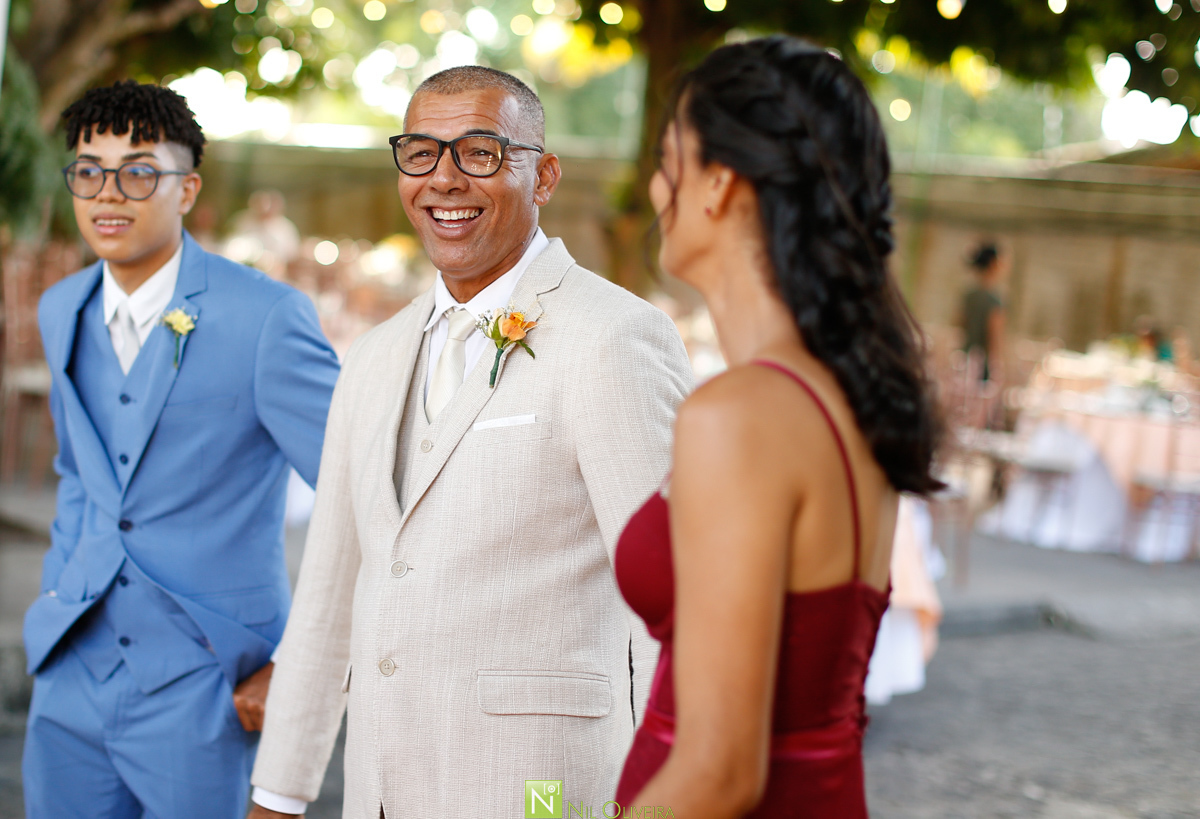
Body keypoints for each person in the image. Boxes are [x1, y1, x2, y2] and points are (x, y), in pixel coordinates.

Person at [248, 66, 692, 817]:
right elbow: (328, 596)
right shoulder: (374, 356)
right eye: (420, 153)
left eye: (479, 152)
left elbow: (673, 605)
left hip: (539, 786)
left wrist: (674, 795)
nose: (443, 179)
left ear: (543, 174)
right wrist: (278, 794)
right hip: (381, 790)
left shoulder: (613, 336)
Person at [613, 36, 943, 816]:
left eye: (668, 159)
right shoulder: (845, 397)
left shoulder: (740, 416)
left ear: (719, 182)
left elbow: (721, 772)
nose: (656, 186)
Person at [22, 80, 341, 818]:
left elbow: (360, 501)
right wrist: (56, 595)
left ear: (188, 188)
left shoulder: (266, 316)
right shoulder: (60, 306)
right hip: (70, 670)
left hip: (205, 681)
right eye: (88, 170)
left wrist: (297, 667)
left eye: (139, 171)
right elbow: (80, 474)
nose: (110, 192)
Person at [961, 241, 1007, 381]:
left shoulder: (969, 295)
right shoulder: (994, 300)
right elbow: (994, 336)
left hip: (966, 358)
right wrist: (997, 368)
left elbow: (961, 323)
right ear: (994, 264)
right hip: (983, 365)